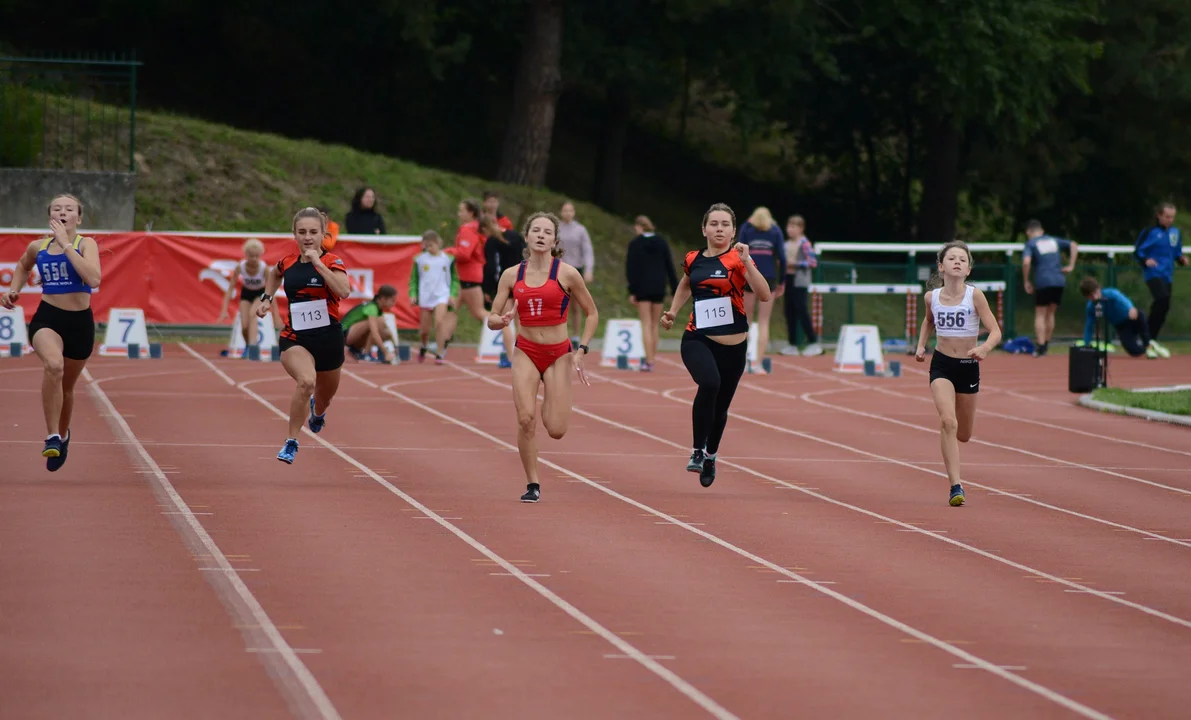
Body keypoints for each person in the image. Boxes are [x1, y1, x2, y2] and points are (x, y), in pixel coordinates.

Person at [486, 211, 599, 503]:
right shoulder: (512, 275)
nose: (540, 235)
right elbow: (492, 317)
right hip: (526, 350)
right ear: (527, 236)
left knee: (556, 429)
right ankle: (533, 483)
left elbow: (592, 313)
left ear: (555, 240)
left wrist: (582, 350)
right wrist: (502, 320)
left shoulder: (567, 273)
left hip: (559, 353)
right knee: (526, 419)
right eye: (535, 230)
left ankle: (552, 394)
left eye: (546, 232)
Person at [660, 203, 771, 488]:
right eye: (714, 224)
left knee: (721, 407)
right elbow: (686, 284)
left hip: (734, 345)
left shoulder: (737, 259)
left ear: (734, 231)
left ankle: (711, 455)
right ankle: (697, 450)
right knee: (709, 384)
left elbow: (764, 295)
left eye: (725, 224)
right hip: (698, 337)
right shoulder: (693, 258)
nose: (719, 229)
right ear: (704, 228)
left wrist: (748, 262)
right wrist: (673, 311)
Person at [1, 194, 101, 470]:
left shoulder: (85, 244)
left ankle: (64, 434)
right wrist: (13, 290)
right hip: (48, 319)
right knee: (53, 366)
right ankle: (52, 436)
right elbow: (22, 265)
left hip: (80, 323)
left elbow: (93, 279)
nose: (62, 211)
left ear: (78, 218)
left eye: (69, 209)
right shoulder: (38, 247)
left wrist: (67, 246)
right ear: (50, 217)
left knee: (67, 388)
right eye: (57, 208)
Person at [257, 208, 353, 464]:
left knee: (325, 399)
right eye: (302, 232)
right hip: (295, 338)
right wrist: (267, 298)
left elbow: (344, 291)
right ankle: (291, 441)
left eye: (313, 232)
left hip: (329, 341)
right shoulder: (287, 262)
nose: (307, 237)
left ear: (324, 234)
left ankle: (317, 412)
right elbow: (274, 274)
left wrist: (318, 263)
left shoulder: (332, 262)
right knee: (306, 382)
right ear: (294, 234)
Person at [914, 240, 1002, 507]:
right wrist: (920, 345)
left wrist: (984, 348)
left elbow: (995, 331)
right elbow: (928, 321)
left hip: (967, 366)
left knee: (963, 433)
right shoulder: (932, 297)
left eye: (962, 260)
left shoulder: (974, 296)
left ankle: (955, 471)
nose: (957, 262)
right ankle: (955, 485)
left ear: (968, 269)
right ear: (941, 267)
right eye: (951, 258)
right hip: (941, 365)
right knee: (947, 422)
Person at [736, 207, 787, 372]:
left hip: (749, 274)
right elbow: (783, 258)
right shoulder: (775, 231)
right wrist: (783, 282)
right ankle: (757, 362)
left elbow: (737, 251)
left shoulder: (747, 228)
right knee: (764, 321)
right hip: (769, 277)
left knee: (746, 319)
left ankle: (742, 362)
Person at [624, 215, 678, 370]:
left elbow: (631, 268)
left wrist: (632, 290)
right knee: (655, 324)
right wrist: (674, 288)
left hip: (642, 287)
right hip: (658, 287)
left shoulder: (635, 243)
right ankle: (652, 357)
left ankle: (648, 361)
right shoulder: (661, 242)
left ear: (638, 227)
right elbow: (669, 265)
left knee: (646, 324)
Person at [1132, 202, 1183, 357]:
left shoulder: (1175, 232)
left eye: (1172, 217)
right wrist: (1145, 260)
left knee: (1165, 306)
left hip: (1167, 273)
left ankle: (1150, 338)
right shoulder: (1150, 232)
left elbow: (1176, 252)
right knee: (1161, 298)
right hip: (1153, 273)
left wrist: (1181, 259)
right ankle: (1145, 335)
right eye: (1167, 216)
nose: (1170, 220)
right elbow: (1137, 252)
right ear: (1159, 215)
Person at [1021, 219, 1078, 357]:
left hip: (1043, 280)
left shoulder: (1031, 243)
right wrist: (1071, 265)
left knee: (1040, 313)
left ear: (1029, 232)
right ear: (1042, 231)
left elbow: (1026, 262)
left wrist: (1026, 280)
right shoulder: (1053, 240)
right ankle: (1046, 343)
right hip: (1059, 280)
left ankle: (1040, 346)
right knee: (1051, 313)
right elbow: (1073, 244)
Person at [440, 199, 488, 349]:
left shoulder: (468, 229)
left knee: (479, 313)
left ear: (470, 213)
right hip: (464, 277)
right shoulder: (476, 228)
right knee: (451, 309)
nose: (458, 213)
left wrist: (447, 251)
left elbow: (464, 254)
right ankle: (443, 343)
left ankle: (506, 330)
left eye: (461, 211)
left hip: (469, 277)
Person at [1077, 277, 1164, 358]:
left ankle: (1148, 344)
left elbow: (1122, 298)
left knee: (1140, 314)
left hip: (1132, 318)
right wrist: (1086, 344)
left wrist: (1130, 308)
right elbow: (1089, 326)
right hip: (1122, 327)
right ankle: (1149, 347)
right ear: (1087, 297)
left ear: (1099, 289)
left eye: (1095, 293)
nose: (1095, 297)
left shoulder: (1110, 293)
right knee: (1134, 352)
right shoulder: (1091, 308)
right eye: (1091, 296)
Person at [481, 213, 526, 367]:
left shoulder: (491, 242)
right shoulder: (516, 235)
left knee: (505, 320)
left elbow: (491, 267)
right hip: (522, 280)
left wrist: (487, 289)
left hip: (505, 283)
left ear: (486, 229)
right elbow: (526, 256)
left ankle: (510, 357)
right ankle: (524, 355)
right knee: (521, 321)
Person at [409, 230, 459, 365]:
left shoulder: (447, 259)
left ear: (438, 243)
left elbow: (454, 279)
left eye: (431, 245)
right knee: (424, 330)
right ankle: (424, 346)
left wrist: (452, 295)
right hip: (426, 296)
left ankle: (440, 352)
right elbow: (414, 280)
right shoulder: (419, 259)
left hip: (441, 295)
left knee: (439, 322)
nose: (428, 248)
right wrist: (413, 294)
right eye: (426, 246)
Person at [217, 238, 270, 355]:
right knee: (244, 325)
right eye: (251, 256)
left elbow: (271, 289)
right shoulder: (240, 267)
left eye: (257, 256)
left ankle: (253, 347)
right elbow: (230, 288)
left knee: (253, 314)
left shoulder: (263, 268)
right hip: (246, 294)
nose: (254, 259)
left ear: (260, 255)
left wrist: (275, 315)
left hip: (259, 294)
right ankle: (247, 345)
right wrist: (224, 310)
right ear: (246, 254)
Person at [780, 214, 821, 356]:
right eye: (788, 226)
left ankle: (813, 342)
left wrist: (796, 264)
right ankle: (792, 344)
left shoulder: (804, 243)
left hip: (800, 281)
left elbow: (812, 262)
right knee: (789, 311)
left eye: (793, 227)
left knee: (801, 310)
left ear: (801, 228)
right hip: (788, 279)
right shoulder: (785, 244)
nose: (790, 230)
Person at [558, 201, 595, 347]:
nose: (567, 213)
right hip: (559, 269)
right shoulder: (556, 229)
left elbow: (587, 250)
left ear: (573, 213)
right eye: (565, 210)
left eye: (570, 211)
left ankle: (575, 335)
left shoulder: (580, 230)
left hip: (576, 269)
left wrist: (589, 269)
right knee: (560, 304)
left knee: (576, 305)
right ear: (561, 212)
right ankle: (561, 334)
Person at [342, 284, 399, 363]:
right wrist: (386, 352)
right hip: (344, 334)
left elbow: (388, 332)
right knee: (378, 323)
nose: (394, 303)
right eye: (392, 300)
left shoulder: (378, 310)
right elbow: (374, 332)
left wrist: (395, 347)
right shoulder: (372, 308)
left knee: (386, 333)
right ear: (384, 298)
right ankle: (366, 354)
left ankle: (356, 350)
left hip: (353, 334)